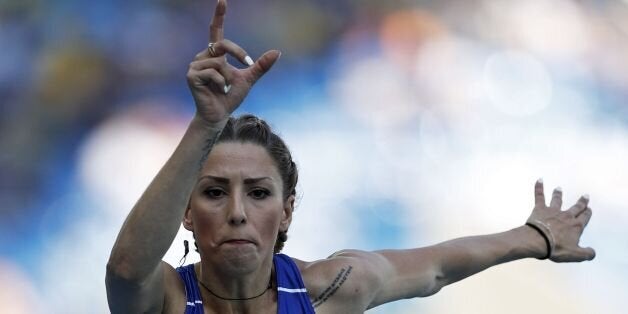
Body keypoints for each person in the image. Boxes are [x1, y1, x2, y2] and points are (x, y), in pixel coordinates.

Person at [105, 1, 596, 313]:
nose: (237, 212)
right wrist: (206, 124)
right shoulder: (166, 302)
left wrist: (534, 237)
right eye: (214, 193)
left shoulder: (330, 291)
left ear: (287, 211)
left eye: (258, 193)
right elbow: (127, 268)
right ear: (186, 213)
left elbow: (436, 269)